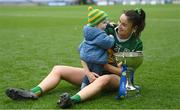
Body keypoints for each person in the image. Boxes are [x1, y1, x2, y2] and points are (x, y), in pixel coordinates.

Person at [5, 8, 146, 109]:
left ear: (134, 28)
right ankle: (32, 93)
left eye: (124, 24)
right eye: (119, 21)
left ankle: (71, 100)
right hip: (93, 72)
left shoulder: (136, 44)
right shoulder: (107, 30)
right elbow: (85, 51)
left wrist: (108, 68)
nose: (118, 25)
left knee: (104, 78)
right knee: (58, 69)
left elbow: (127, 72)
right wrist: (88, 72)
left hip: (115, 78)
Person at [79, 7, 115, 89]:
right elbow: (108, 43)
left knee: (88, 74)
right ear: (97, 24)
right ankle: (91, 89)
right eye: (104, 22)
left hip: (87, 57)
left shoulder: (89, 31)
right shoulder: (99, 35)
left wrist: (107, 23)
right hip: (96, 59)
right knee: (96, 74)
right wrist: (111, 37)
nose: (106, 24)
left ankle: (83, 86)